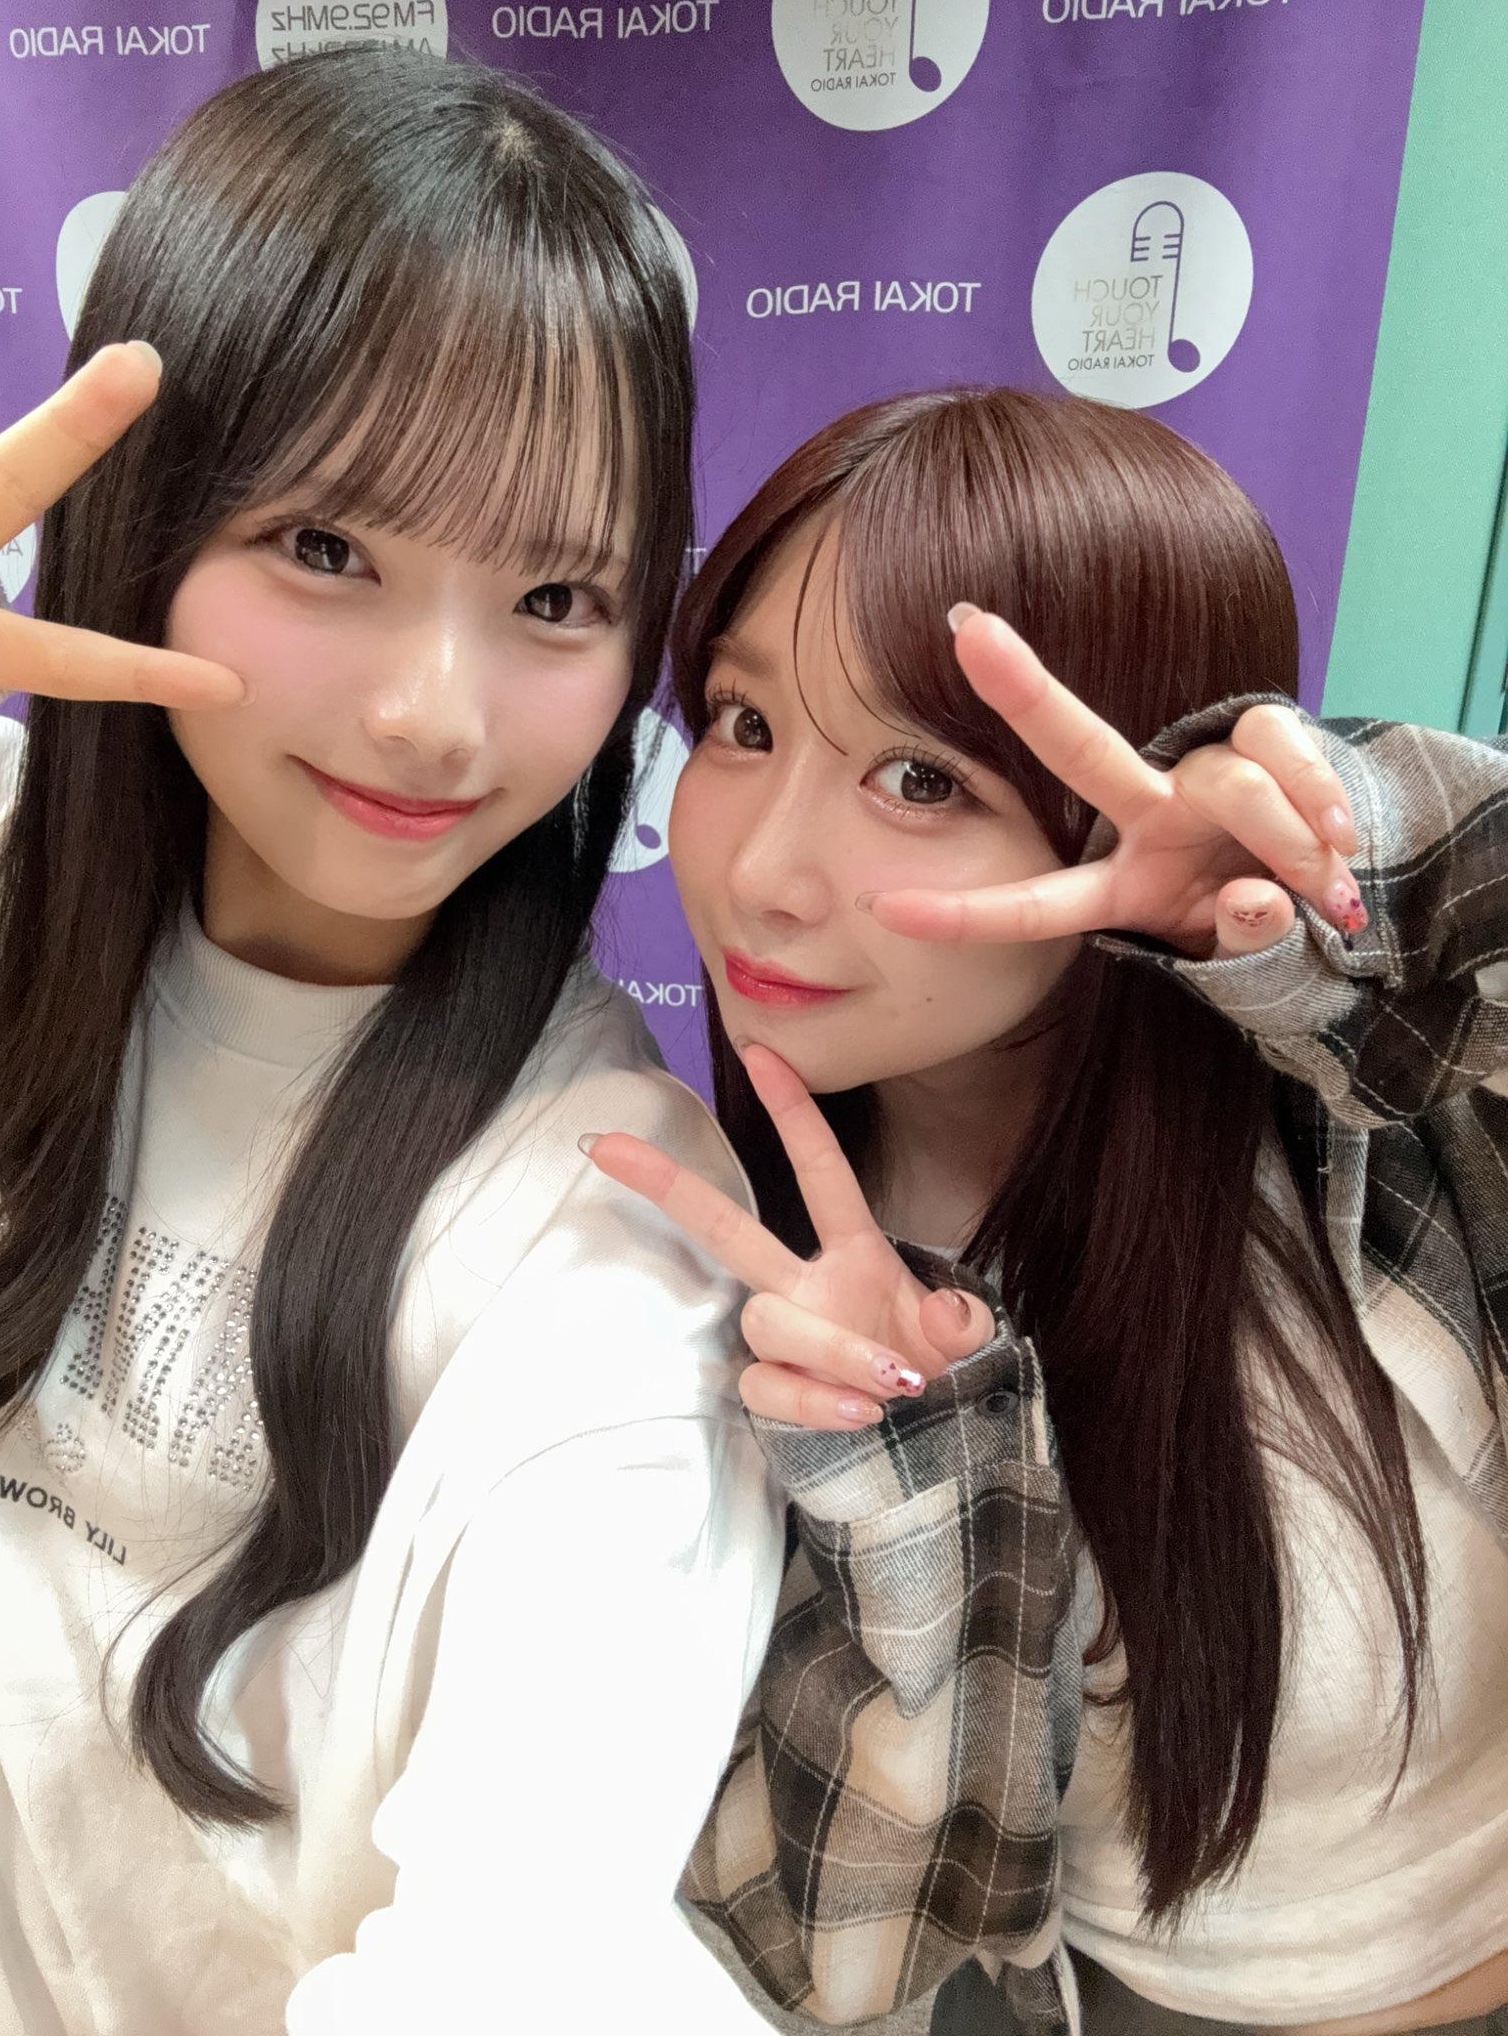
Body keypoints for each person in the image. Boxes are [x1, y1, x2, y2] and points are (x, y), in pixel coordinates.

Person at [0, 49, 784, 2036]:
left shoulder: (609, 1228)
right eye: (330, 549)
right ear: (143, 518)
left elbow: (516, 1949)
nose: (437, 714)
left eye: (556, 596)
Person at [587, 388, 1508, 2035]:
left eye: (916, 776)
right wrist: (906, 1487)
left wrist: (1353, 871)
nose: (761, 874)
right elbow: (841, 1966)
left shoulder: (1364, 1123)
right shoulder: (752, 1307)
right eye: (741, 724)